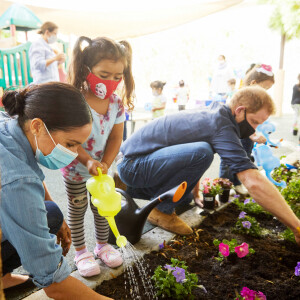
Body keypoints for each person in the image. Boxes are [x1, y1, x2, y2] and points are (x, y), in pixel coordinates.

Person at [116, 86, 300, 244]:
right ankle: (159, 211)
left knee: (185, 196)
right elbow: (252, 181)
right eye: (253, 122)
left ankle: (129, 187)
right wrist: (296, 226)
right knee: (202, 152)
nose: (253, 130)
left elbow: (185, 154)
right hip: (133, 163)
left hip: (137, 158)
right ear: (239, 110)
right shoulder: (222, 126)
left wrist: (195, 193)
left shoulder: (217, 112)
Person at [0, 83, 111, 299]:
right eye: (70, 144)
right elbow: (55, 285)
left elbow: (30, 177)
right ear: (38, 126)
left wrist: (57, 217)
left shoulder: (11, 125)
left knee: (50, 213)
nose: (74, 153)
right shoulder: (17, 181)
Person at [62, 36, 135, 277]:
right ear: (86, 70)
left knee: (105, 208)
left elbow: (116, 138)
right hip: (75, 169)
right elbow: (70, 139)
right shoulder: (75, 100)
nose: (111, 82)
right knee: (78, 209)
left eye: (117, 77)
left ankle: (102, 246)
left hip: (101, 172)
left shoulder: (116, 103)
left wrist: (104, 162)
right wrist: (87, 161)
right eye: (104, 75)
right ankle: (82, 252)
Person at [219, 64, 275, 195]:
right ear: (254, 83)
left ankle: (237, 183)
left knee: (244, 157)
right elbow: (237, 120)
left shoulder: (257, 100)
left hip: (248, 136)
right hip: (235, 135)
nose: (265, 92)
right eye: (265, 88)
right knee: (228, 159)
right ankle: (224, 185)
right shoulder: (240, 96)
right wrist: (253, 134)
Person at [291, 74, 300, 138]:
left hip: (294, 104)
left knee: (296, 117)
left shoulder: (295, 86)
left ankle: (294, 130)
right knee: (296, 117)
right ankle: (295, 130)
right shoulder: (297, 87)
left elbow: (293, 96)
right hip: (297, 104)